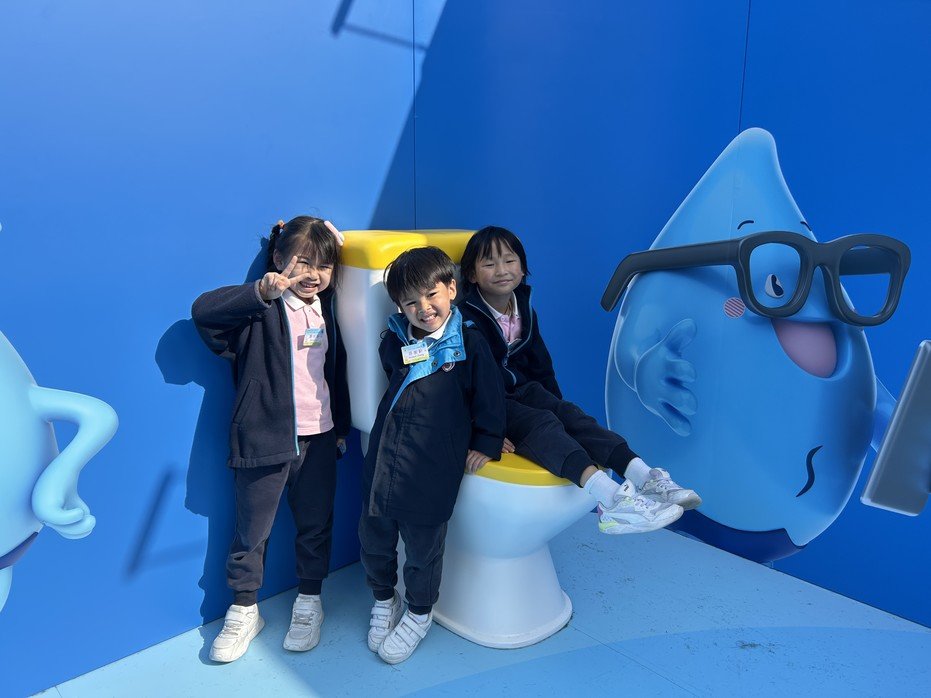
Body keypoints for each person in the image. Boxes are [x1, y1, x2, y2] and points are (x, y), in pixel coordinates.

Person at [458, 226, 701, 535]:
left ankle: (644, 476)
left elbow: (540, 364)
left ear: (522, 267)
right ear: (471, 274)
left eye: (509, 260)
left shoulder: (523, 307)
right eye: (489, 263)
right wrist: (482, 431)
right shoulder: (464, 319)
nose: (502, 270)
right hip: (490, 404)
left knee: (571, 416)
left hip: (523, 391)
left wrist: (557, 406)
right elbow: (458, 384)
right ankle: (612, 500)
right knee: (543, 425)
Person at [191, 216, 350, 663]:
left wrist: (339, 429)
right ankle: (244, 610)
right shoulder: (260, 310)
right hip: (264, 439)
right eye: (303, 262)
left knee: (315, 526)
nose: (313, 274)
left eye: (324, 265)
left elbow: (337, 372)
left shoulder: (330, 309)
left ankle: (310, 601)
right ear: (278, 260)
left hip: (319, 439)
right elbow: (203, 312)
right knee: (251, 533)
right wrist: (261, 291)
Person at [360, 246, 505, 664]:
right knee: (374, 536)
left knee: (423, 548)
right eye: (410, 302)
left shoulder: (470, 342)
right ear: (399, 306)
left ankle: (419, 613)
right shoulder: (395, 339)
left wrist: (488, 440)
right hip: (385, 452)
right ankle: (384, 599)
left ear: (452, 289)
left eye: (431, 295)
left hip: (433, 460)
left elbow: (490, 397)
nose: (423, 308)